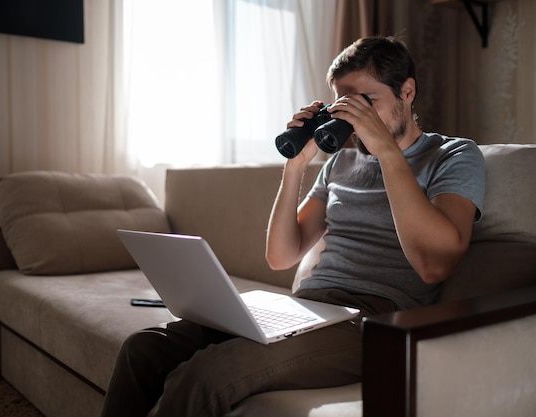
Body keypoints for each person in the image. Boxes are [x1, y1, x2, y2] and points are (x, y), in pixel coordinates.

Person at [100, 36, 486, 417]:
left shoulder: (453, 155)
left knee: (209, 373)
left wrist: (386, 150)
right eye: (344, 105)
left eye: (367, 102)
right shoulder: (340, 164)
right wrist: (296, 166)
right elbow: (281, 255)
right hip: (309, 306)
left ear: (407, 91)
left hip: (375, 319)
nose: (355, 120)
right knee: (144, 347)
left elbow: (434, 265)